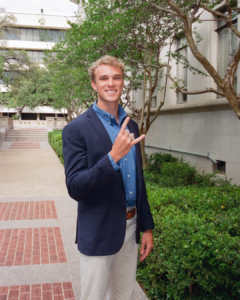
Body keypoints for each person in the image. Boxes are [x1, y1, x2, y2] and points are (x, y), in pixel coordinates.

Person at [62, 55, 154, 300]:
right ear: (94, 84)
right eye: (104, 78)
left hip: (131, 225)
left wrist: (147, 226)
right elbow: (75, 187)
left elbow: (138, 181)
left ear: (123, 82)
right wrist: (112, 157)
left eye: (117, 77)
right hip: (98, 229)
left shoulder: (130, 125)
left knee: (124, 295)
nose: (111, 83)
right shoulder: (76, 129)